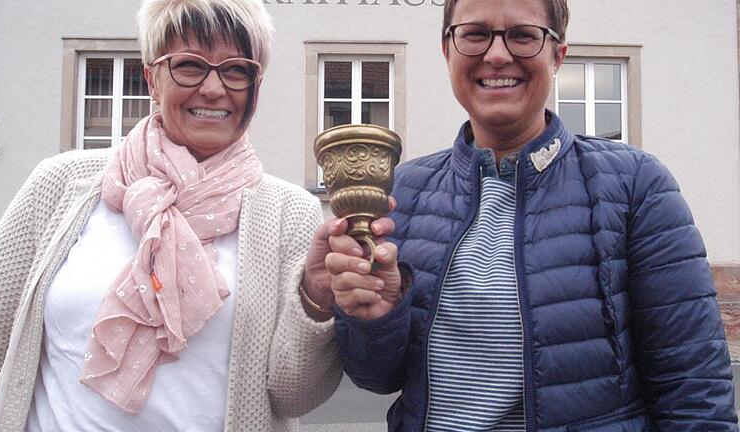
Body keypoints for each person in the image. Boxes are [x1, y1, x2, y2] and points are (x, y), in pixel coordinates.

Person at [314, 0, 739, 430]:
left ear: (558, 55)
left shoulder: (635, 186)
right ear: (448, 51)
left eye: (523, 35)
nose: (497, 55)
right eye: (475, 33)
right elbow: (376, 377)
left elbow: (695, 393)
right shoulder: (403, 193)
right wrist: (376, 316)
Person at [0, 0, 341, 430]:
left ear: (257, 85)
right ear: (151, 78)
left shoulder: (289, 212)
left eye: (236, 69)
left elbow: (296, 395)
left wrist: (317, 298)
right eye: (189, 65)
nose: (213, 88)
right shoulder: (59, 185)